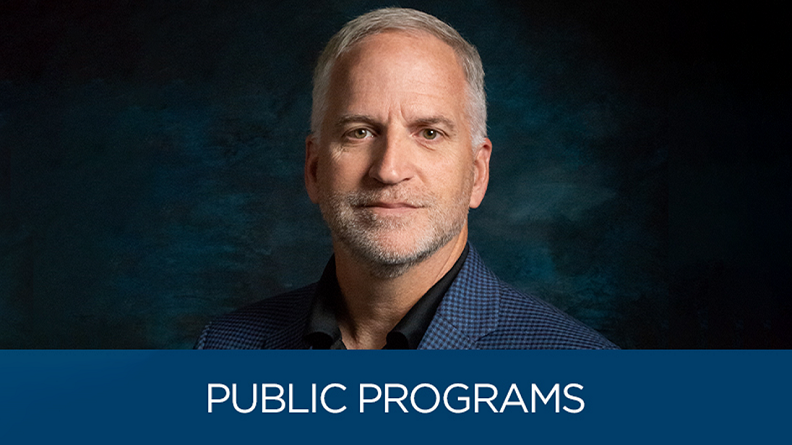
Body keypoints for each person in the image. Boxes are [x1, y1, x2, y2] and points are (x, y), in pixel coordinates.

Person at [196, 8, 617, 349]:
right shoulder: (226, 349)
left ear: (477, 172)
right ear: (314, 169)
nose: (389, 169)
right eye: (359, 132)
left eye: (429, 133)